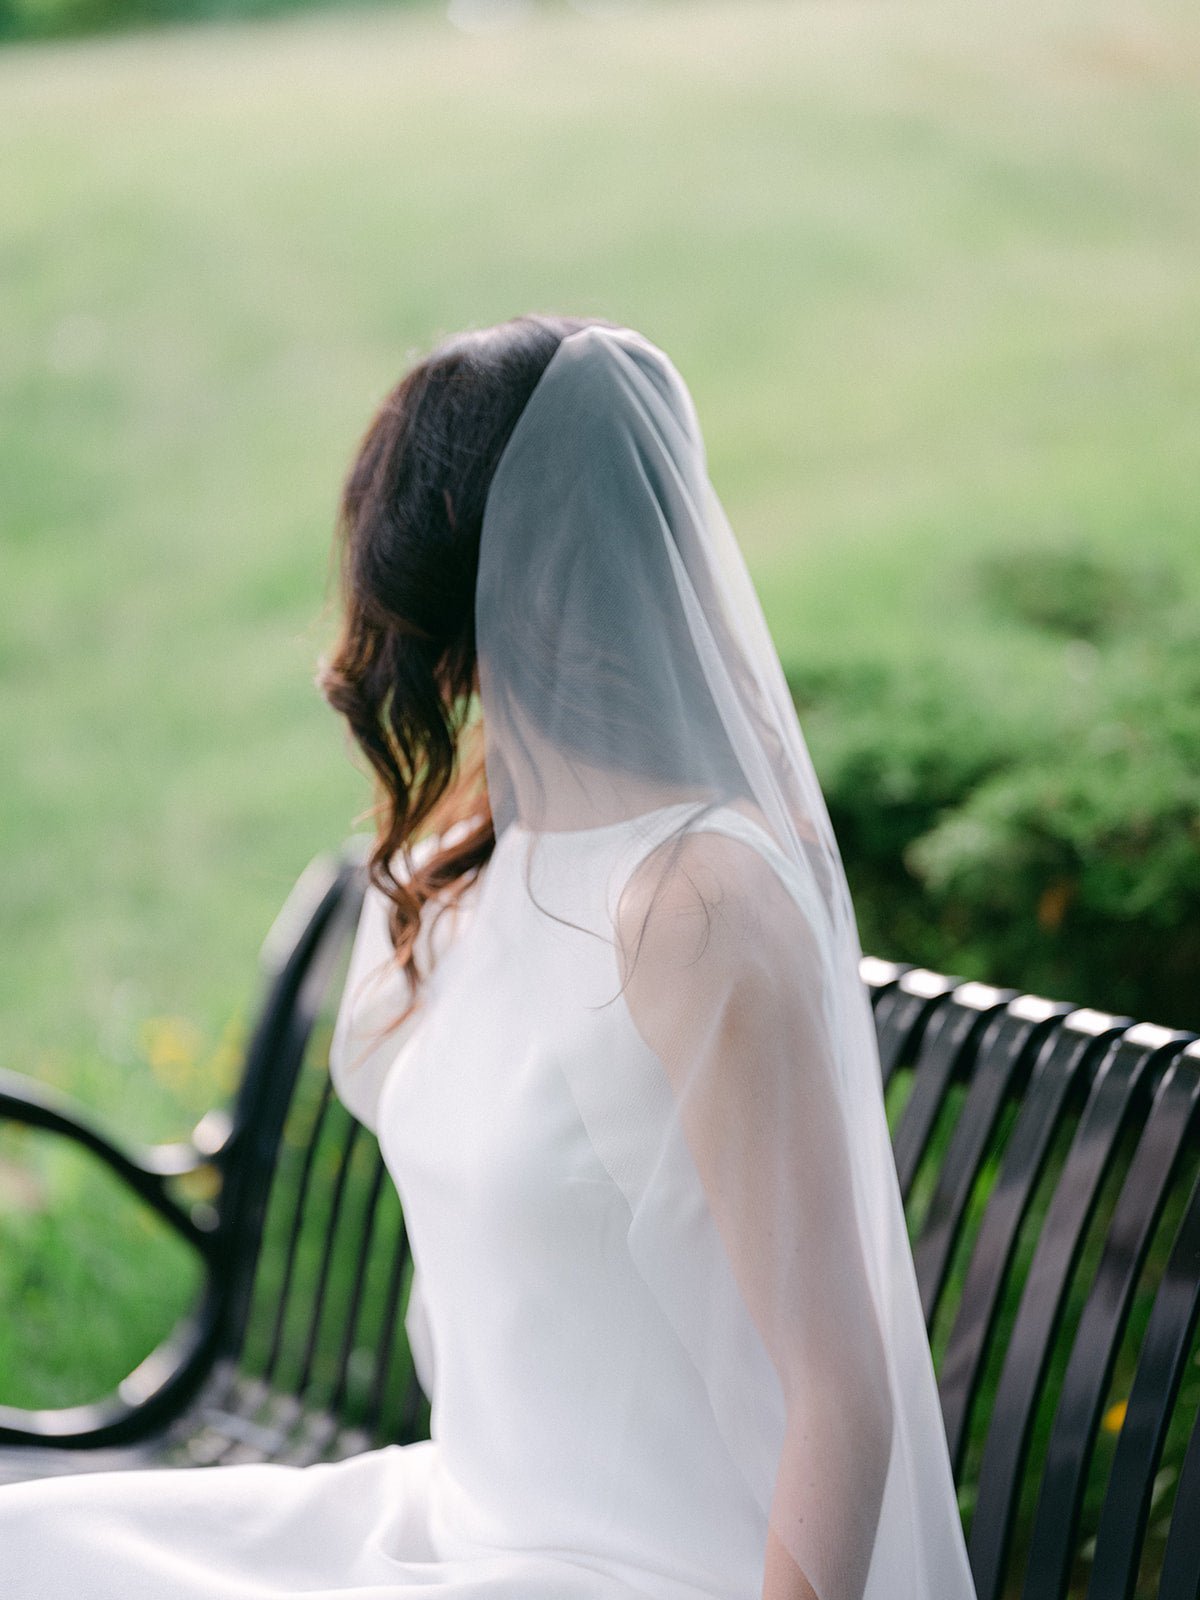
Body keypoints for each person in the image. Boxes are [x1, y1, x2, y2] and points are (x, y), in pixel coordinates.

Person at [0, 316, 978, 1600]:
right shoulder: (480, 842)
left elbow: (841, 1394)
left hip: (635, 1568)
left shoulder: (694, 900)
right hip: (459, 1517)